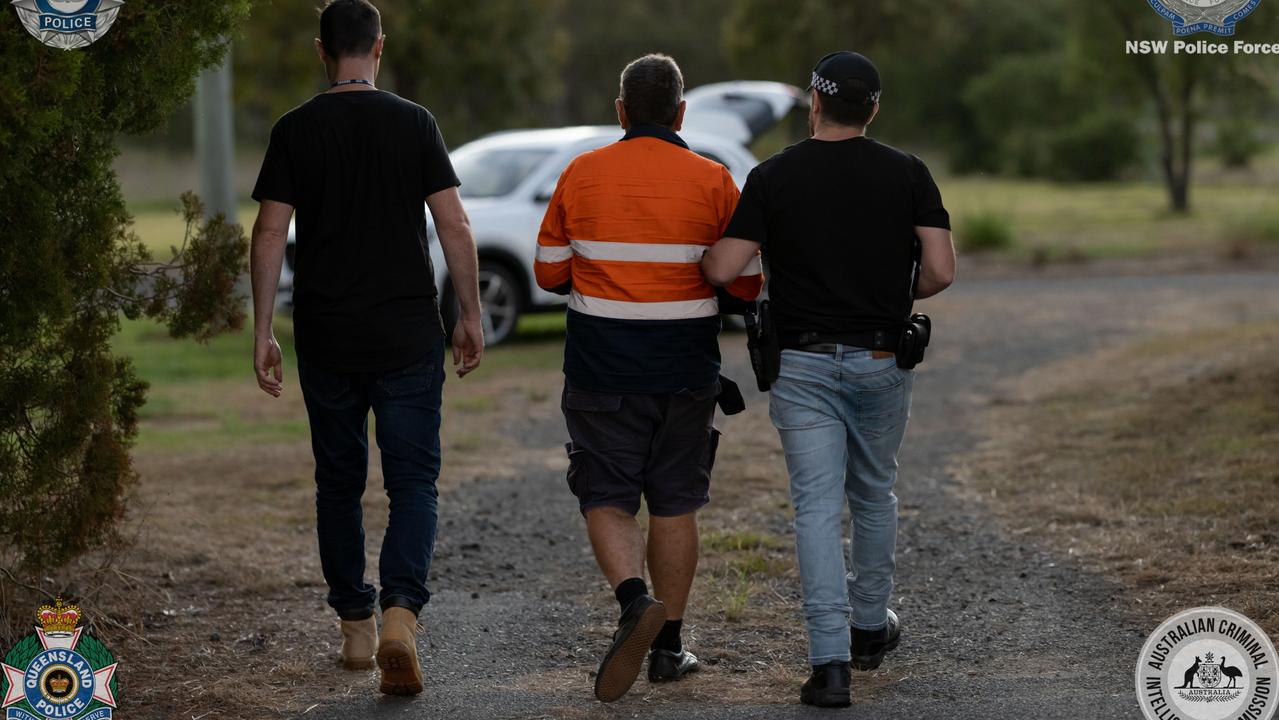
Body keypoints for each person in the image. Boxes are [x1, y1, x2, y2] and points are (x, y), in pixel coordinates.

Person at [702, 50, 956, 708]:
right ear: (872, 108)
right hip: (879, 357)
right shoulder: (908, 174)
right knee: (874, 495)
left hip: (804, 364)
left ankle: (829, 666)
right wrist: (893, 289)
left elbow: (722, 269)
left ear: (814, 103)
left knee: (814, 509)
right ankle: (870, 630)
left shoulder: (772, 176)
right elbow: (939, 271)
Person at [248, 0, 484, 697]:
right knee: (412, 482)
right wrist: (470, 314)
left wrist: (262, 330)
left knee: (338, 482)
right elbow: (454, 225)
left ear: (323, 50)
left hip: (327, 335)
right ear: (376, 48)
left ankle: (355, 626)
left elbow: (267, 234)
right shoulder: (415, 122)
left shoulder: (294, 129)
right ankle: (399, 617)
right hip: (408, 333)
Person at [534, 54, 764, 703]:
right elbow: (744, 281)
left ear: (621, 112)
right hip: (685, 368)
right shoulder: (714, 180)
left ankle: (634, 601)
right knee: (675, 500)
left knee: (605, 490)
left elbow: (549, 273)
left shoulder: (581, 173)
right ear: (681, 112)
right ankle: (668, 648)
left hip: (601, 365)